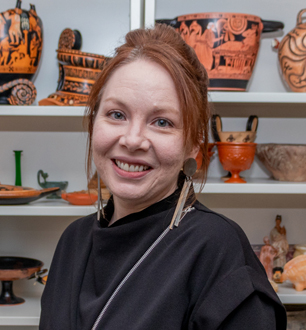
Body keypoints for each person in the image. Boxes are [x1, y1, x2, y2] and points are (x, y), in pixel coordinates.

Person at [39, 24, 286, 329]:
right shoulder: (72, 242)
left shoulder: (218, 251)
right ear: (93, 121)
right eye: (117, 114)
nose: (133, 140)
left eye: (161, 122)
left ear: (194, 142)